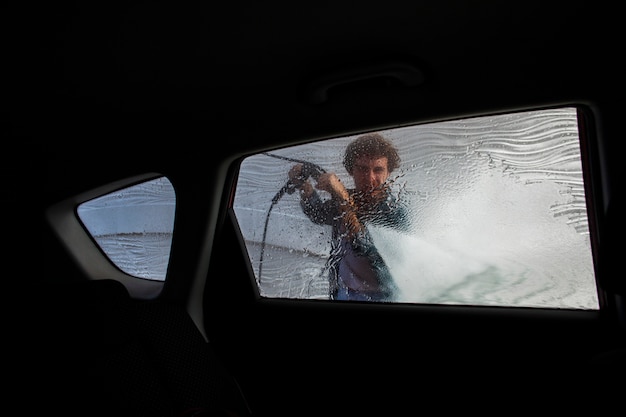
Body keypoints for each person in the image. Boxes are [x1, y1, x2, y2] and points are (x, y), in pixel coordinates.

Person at [288, 132, 410, 302]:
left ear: (389, 172)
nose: (370, 178)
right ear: (350, 170)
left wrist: (342, 198)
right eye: (362, 169)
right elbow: (318, 214)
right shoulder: (348, 197)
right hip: (341, 291)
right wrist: (303, 184)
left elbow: (365, 249)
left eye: (378, 169)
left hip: (382, 299)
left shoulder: (395, 211)